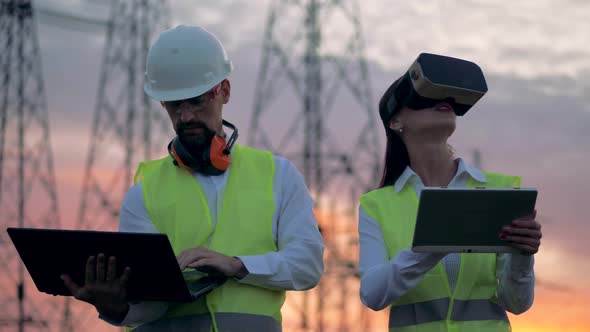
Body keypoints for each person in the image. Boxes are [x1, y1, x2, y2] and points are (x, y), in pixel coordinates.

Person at [61, 25, 324, 331]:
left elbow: (308, 265)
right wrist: (114, 306)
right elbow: (148, 307)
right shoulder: (143, 194)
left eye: (196, 101)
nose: (185, 117)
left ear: (224, 91)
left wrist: (237, 265)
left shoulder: (279, 176)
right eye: (174, 105)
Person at [357, 68, 542, 331]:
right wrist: (428, 249)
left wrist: (523, 258)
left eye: (447, 98)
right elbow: (372, 294)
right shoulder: (376, 205)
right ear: (396, 120)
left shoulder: (500, 189)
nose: (441, 101)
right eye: (425, 96)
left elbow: (518, 303)